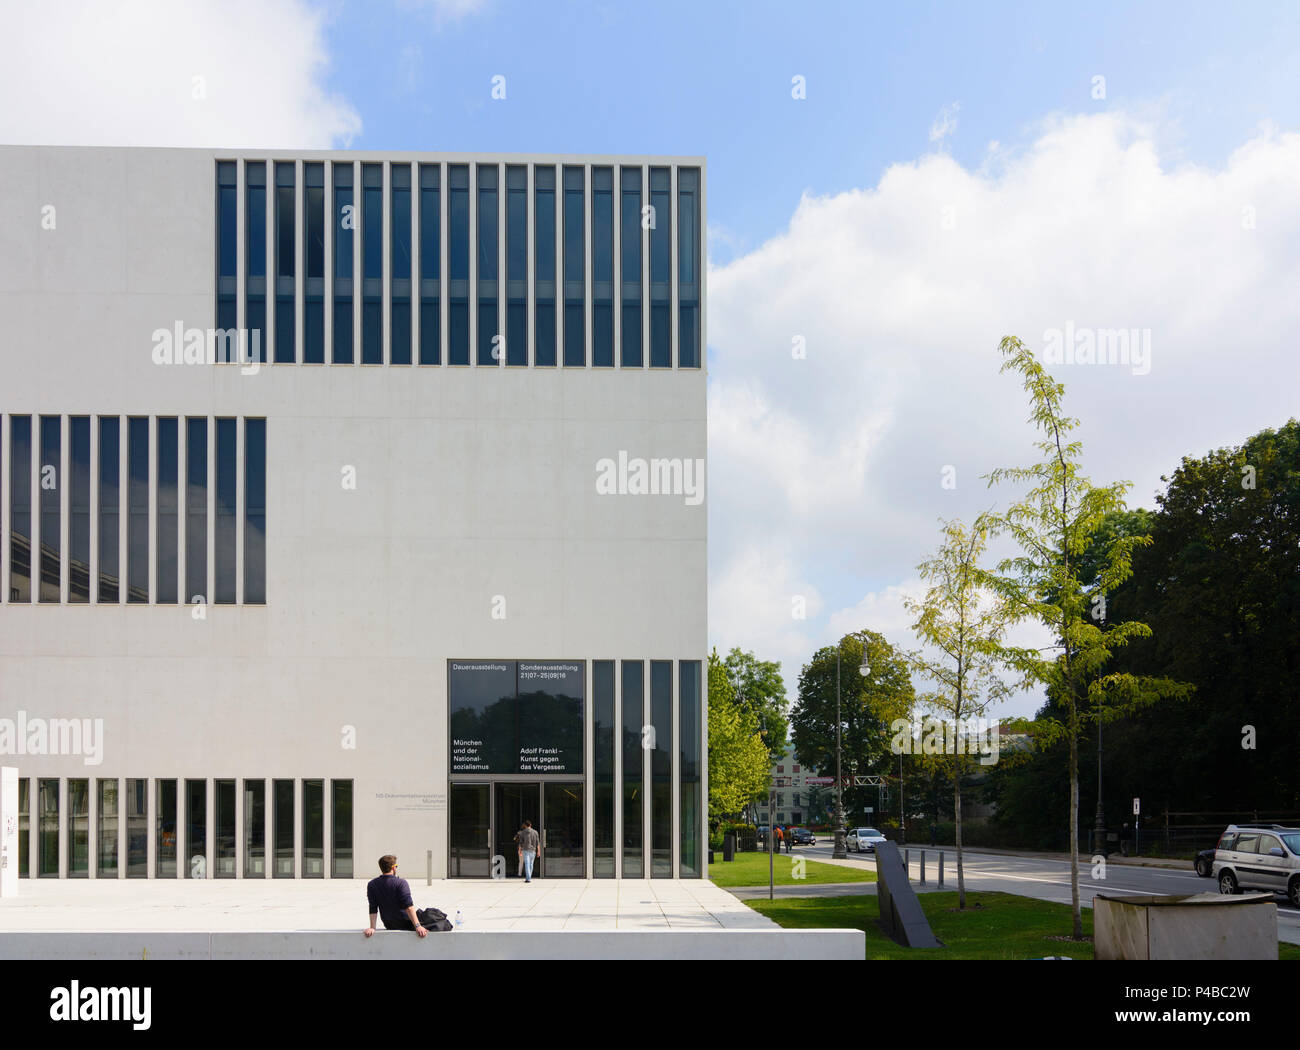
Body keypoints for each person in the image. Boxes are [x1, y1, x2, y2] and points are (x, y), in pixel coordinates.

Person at [363, 855, 436, 937]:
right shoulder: (401, 883)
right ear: (393, 868)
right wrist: (418, 926)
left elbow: (373, 907)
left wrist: (372, 927)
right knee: (436, 916)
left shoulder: (372, 884)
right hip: (406, 923)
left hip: (389, 924)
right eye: (396, 866)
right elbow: (409, 907)